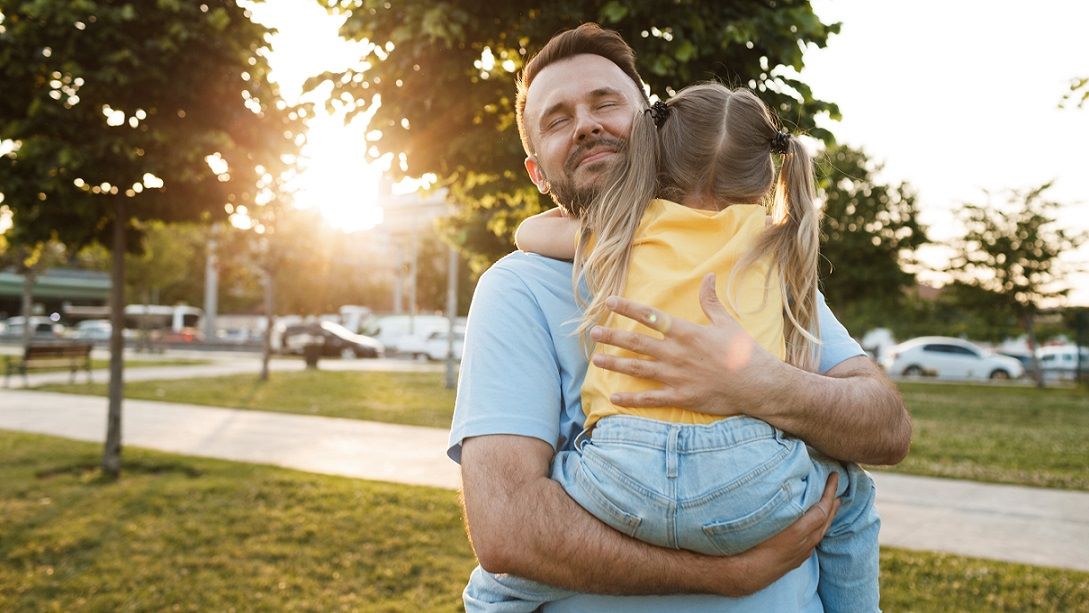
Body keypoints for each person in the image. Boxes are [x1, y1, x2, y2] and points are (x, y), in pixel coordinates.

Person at [449, 23, 910, 612]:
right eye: (557, 119)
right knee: (848, 494)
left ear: (654, 131)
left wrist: (758, 383)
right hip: (755, 510)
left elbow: (886, 428)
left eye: (605, 103)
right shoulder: (518, 288)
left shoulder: (762, 267)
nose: (586, 123)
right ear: (538, 172)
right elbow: (509, 529)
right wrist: (728, 573)